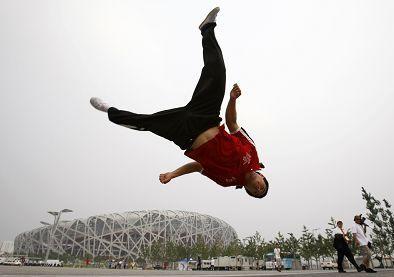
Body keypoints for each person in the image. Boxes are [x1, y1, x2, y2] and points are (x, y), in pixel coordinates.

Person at [90, 7, 268, 199]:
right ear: (262, 176)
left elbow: (198, 167)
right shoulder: (253, 152)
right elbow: (232, 123)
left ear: (247, 191)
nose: (258, 188)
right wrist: (232, 100)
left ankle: (109, 110)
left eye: (256, 192)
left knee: (146, 123)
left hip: (186, 135)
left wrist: (173, 174)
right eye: (262, 186)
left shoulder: (227, 181)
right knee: (218, 73)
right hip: (206, 117)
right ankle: (208, 28)